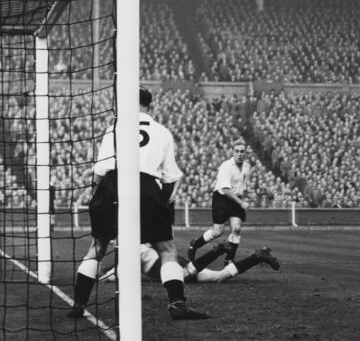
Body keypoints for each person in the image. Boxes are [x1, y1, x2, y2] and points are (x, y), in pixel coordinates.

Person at [68, 87, 209, 320]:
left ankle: (78, 305)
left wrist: (96, 195)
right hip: (147, 186)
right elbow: (173, 176)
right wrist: (163, 200)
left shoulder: (114, 128)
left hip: (112, 183)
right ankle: (176, 303)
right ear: (149, 105)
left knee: (97, 248)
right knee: (167, 250)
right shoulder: (162, 132)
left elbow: (100, 169)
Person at [187, 139, 251, 266]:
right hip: (222, 199)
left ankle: (229, 260)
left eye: (242, 151)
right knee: (217, 232)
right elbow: (225, 189)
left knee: (237, 228)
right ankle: (195, 244)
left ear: (246, 153)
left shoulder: (247, 167)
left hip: (236, 200)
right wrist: (241, 203)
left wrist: (243, 199)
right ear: (232, 152)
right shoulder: (226, 166)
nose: (239, 154)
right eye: (237, 151)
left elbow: (242, 186)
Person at [99, 242, 280, 284]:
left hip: (163, 266)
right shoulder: (136, 242)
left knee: (185, 274)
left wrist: (97, 278)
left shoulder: (128, 250)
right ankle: (258, 256)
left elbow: (115, 274)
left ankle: (215, 251)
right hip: (170, 259)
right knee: (219, 277)